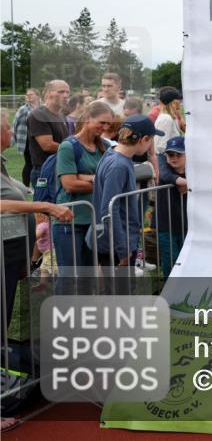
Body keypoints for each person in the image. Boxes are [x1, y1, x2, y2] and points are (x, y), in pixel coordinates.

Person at [1, 109, 74, 344]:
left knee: (6, 311)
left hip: (12, 249)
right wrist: (45, 206)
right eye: (8, 127)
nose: (12, 131)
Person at [90, 115, 164, 279]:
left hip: (114, 239)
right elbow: (109, 209)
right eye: (151, 140)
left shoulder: (112, 154)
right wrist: (123, 250)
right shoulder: (119, 165)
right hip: (116, 243)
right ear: (144, 139)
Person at [53, 101, 114, 292]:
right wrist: (98, 181)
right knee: (69, 277)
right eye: (101, 122)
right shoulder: (68, 146)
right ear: (88, 119)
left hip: (93, 222)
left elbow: (112, 178)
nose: (104, 128)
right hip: (69, 221)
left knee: (88, 277)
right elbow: (69, 184)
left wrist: (84, 178)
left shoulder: (105, 146)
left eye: (108, 125)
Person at [27, 79, 71, 186]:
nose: (65, 95)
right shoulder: (38, 115)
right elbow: (47, 145)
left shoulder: (61, 116)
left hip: (60, 168)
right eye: (60, 92)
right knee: (45, 202)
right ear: (48, 93)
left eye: (67, 92)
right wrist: (74, 149)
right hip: (44, 171)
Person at [155, 137, 188, 277]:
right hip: (166, 225)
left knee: (185, 256)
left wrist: (188, 184)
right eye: (170, 155)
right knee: (171, 259)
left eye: (179, 154)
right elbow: (167, 176)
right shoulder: (164, 167)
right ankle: (170, 289)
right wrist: (188, 183)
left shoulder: (192, 170)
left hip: (185, 224)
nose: (174, 158)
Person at [11, 88, 41, 185]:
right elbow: (14, 124)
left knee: (37, 163)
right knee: (29, 163)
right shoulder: (23, 109)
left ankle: (36, 184)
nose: (28, 96)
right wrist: (12, 139)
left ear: (38, 96)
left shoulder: (42, 108)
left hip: (38, 139)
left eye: (31, 94)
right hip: (26, 140)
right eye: (27, 95)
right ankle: (26, 186)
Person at [154, 87, 184, 155]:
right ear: (173, 102)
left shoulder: (171, 117)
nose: (180, 101)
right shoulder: (166, 118)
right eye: (178, 99)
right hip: (166, 160)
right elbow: (161, 146)